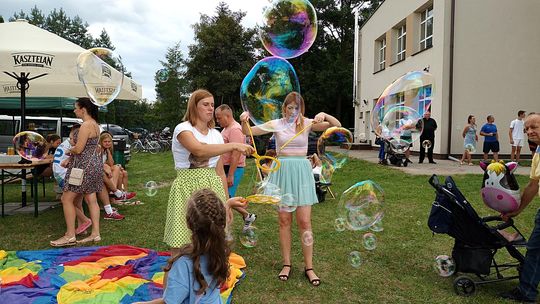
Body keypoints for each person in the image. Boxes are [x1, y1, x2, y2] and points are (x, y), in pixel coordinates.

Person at [240, 91, 341, 286]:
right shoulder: (277, 123)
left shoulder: (307, 123)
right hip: (283, 172)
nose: (294, 111)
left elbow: (336, 125)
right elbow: (248, 132)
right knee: (284, 221)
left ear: (301, 109)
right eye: (290, 107)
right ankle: (286, 264)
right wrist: (244, 120)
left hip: (302, 173)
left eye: (297, 108)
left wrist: (324, 115)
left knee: (304, 222)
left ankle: (309, 267)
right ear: (284, 108)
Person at [163, 88, 253, 254]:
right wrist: (234, 145)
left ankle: (205, 277)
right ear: (194, 107)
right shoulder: (183, 129)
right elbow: (198, 150)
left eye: (212, 104)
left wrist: (226, 203)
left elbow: (219, 173)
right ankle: (178, 276)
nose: (211, 108)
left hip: (213, 188)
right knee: (182, 244)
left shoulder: (215, 135)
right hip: (187, 187)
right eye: (205, 104)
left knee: (213, 241)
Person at [134, 189, 230, 304]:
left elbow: (170, 302)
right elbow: (218, 223)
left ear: (189, 223)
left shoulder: (183, 264)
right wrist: (228, 205)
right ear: (222, 222)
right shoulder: (221, 249)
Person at [50, 98, 103, 246]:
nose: (74, 110)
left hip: (82, 169)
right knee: (91, 200)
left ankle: (70, 235)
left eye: (76, 108)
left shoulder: (85, 125)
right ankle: (95, 233)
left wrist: (69, 151)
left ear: (83, 109)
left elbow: (79, 149)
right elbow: (90, 148)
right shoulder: (96, 125)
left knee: (66, 199)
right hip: (94, 167)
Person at [499, 113, 540, 303]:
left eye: (535, 127)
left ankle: (526, 292)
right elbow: (533, 185)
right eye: (527, 129)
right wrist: (517, 209)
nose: (530, 131)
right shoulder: (538, 152)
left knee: (536, 249)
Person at [215, 104, 256, 230]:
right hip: (225, 168)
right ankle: (247, 215)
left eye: (219, 118)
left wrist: (231, 174)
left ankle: (226, 231)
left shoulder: (235, 129)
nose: (217, 120)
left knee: (224, 199)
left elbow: (236, 153)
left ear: (227, 116)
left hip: (233, 168)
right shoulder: (226, 129)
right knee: (226, 197)